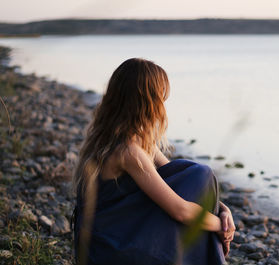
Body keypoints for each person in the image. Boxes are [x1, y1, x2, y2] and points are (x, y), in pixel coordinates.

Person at [70, 58, 235, 265]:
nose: (163, 106)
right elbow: (180, 211)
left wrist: (223, 209)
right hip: (110, 249)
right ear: (148, 102)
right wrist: (222, 225)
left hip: (118, 235)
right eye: (161, 99)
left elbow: (176, 183)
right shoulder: (128, 151)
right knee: (201, 175)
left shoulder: (129, 138)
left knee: (197, 175)